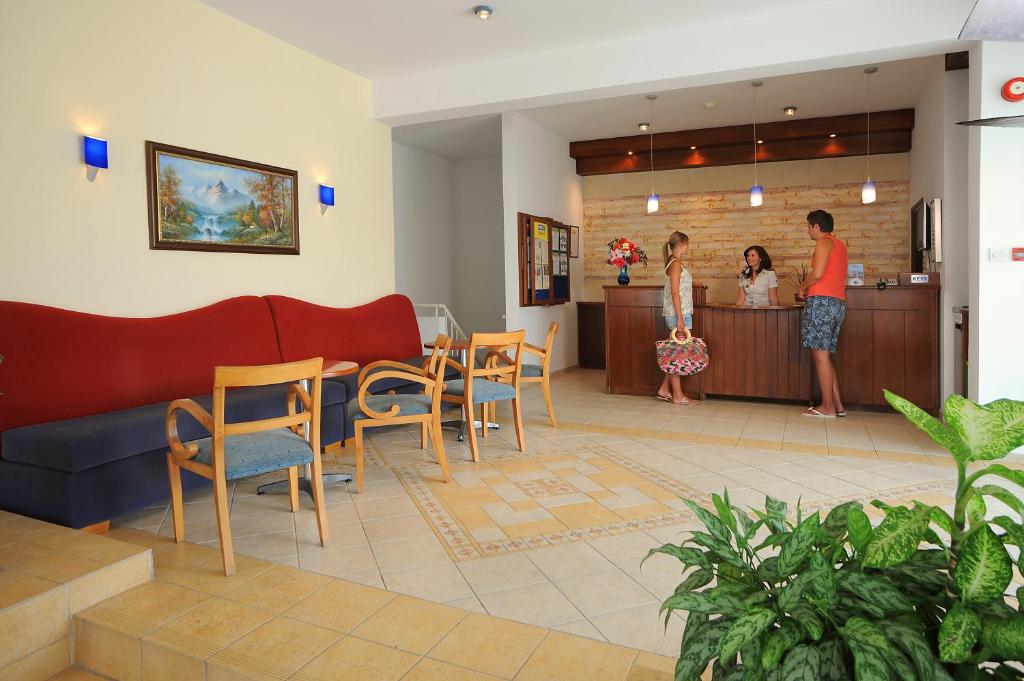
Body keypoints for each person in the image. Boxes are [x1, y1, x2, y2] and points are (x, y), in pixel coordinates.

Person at [799, 209, 848, 417]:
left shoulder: (823, 243)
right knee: (825, 355)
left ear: (817, 227)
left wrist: (802, 287)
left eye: (808, 226)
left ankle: (827, 407)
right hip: (837, 302)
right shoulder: (840, 245)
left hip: (821, 302)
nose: (808, 230)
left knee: (820, 355)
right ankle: (837, 405)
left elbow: (817, 274)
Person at [657, 231, 700, 405]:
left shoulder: (674, 262)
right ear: (680, 244)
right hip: (678, 314)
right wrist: (680, 319)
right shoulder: (675, 264)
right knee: (677, 356)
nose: (688, 247)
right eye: (687, 243)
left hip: (679, 313)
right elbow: (675, 292)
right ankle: (677, 396)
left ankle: (664, 389)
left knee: (676, 353)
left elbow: (679, 288)